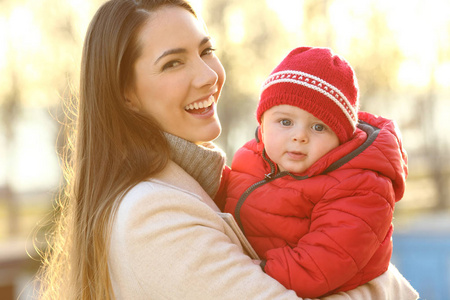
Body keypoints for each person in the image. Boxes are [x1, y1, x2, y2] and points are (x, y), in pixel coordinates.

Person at [34, 1, 419, 299]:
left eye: (205, 51)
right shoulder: (152, 213)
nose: (208, 75)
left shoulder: (209, 183)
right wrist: (387, 286)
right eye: (172, 63)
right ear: (126, 95)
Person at [218, 46, 414, 298]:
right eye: (285, 122)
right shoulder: (252, 156)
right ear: (263, 124)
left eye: (319, 127)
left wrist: (251, 273)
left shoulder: (361, 185)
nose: (299, 136)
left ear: (342, 139)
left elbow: (321, 265)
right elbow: (225, 197)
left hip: (322, 287)